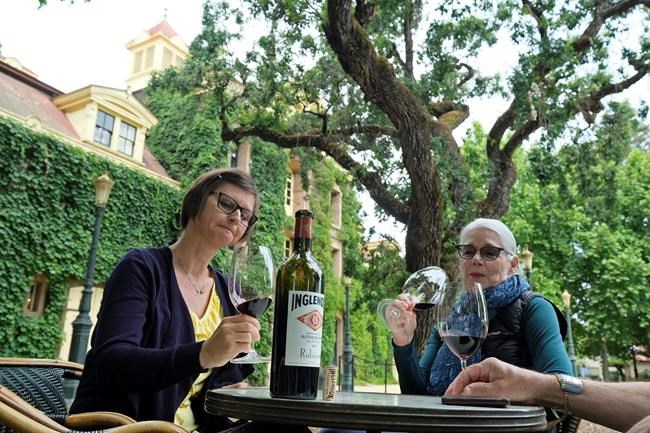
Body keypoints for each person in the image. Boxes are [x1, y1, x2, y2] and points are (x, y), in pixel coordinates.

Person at [70, 168, 263, 433]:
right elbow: (111, 364)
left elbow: (216, 388)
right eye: (227, 203)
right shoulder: (141, 267)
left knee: (289, 427)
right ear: (197, 199)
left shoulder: (226, 290)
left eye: (245, 215)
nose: (235, 218)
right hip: (126, 427)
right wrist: (203, 354)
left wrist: (231, 396)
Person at [388, 218, 573, 396]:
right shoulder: (448, 323)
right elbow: (416, 393)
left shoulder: (533, 308)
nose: (476, 259)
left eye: (489, 252)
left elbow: (564, 388)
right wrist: (404, 341)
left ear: (513, 265)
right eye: (468, 252)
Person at [445, 357, 650, 433]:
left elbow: (561, 370)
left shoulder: (533, 307)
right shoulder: (446, 323)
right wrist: (538, 385)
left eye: (490, 256)